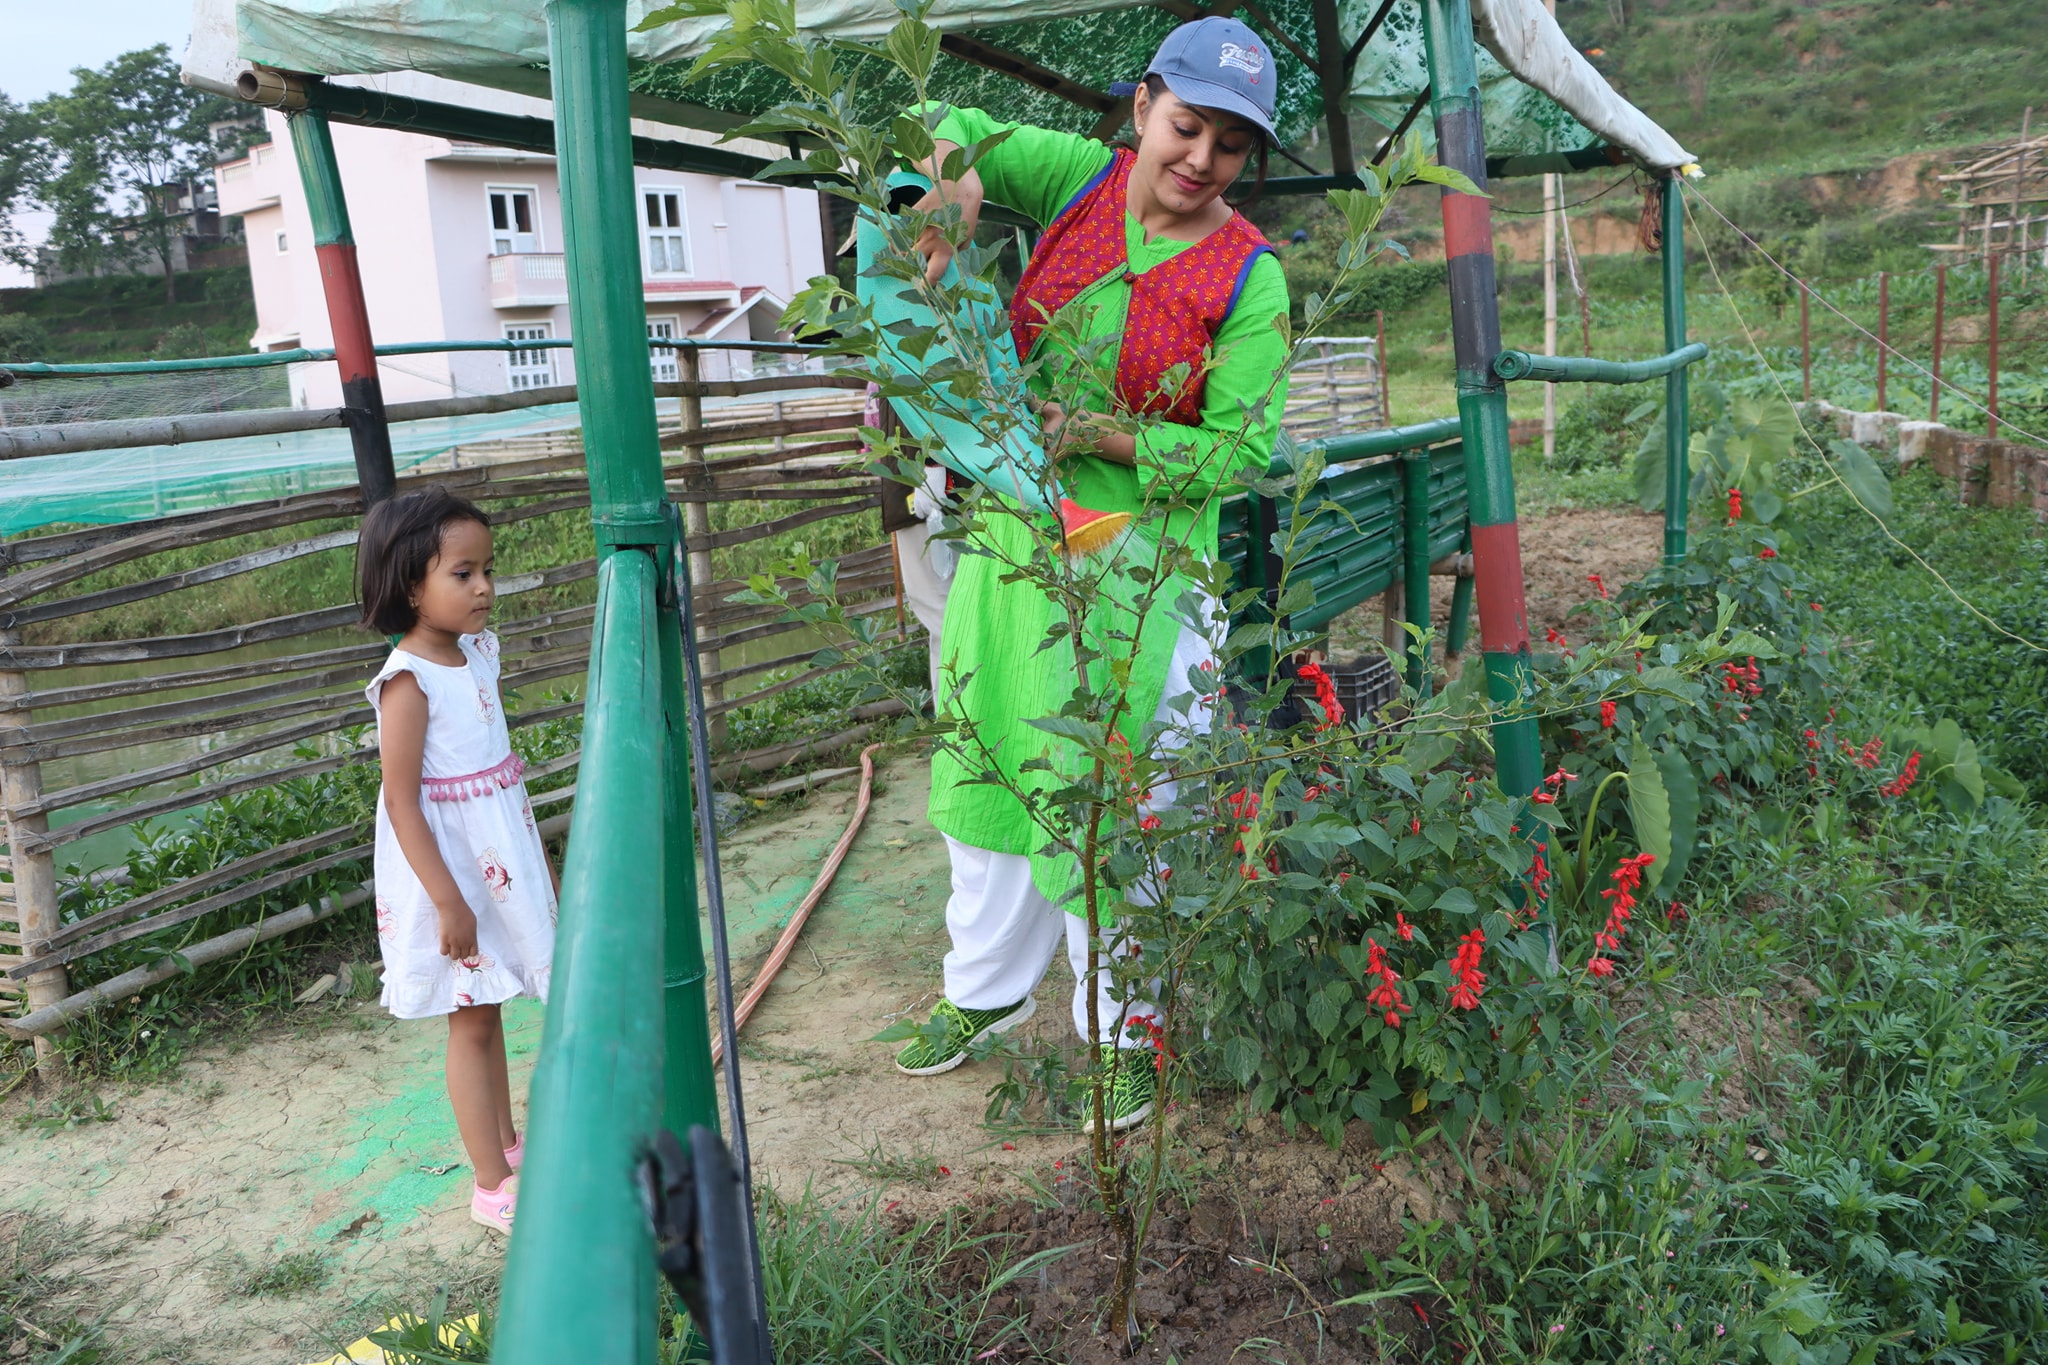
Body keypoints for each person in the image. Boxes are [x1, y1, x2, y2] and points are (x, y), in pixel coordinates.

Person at [888, 15, 1292, 1133]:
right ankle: (983, 992)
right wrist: (948, 188)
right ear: (1142, 107)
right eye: (1184, 125)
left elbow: (1239, 452)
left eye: (1226, 144)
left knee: (1121, 803)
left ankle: (1124, 1030)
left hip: (1145, 572)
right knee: (990, 768)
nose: (1197, 159)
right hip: (1019, 542)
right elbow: (949, 124)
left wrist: (1104, 437)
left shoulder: (1250, 278)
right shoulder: (1076, 181)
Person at [357, 487, 558, 1234]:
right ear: (412, 584)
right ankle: (488, 1183)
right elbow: (404, 802)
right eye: (463, 573)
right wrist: (448, 900)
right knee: (468, 1020)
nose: (484, 588)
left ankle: (508, 1144)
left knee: (490, 1005)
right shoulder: (407, 680)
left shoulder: (472, 651)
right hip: (449, 873)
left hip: (491, 861)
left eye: (486, 570)